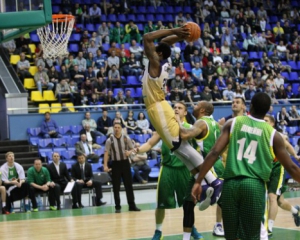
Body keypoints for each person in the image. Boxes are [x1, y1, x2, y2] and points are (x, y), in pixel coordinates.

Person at [191, 92, 300, 240]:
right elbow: (292, 168)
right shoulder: (273, 135)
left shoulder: (233, 123)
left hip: (231, 185)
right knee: (251, 236)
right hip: (254, 186)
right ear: (268, 109)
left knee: (231, 236)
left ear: (251, 106)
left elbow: (214, 152)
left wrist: (198, 181)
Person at [142, 27, 221, 195]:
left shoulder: (156, 64)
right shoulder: (162, 61)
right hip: (158, 106)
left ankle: (214, 182)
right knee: (177, 148)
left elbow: (147, 37)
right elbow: (164, 43)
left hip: (158, 107)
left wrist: (175, 29)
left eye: (154, 51)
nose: (150, 52)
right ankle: (206, 185)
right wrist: (179, 36)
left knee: (180, 145)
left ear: (160, 55)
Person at [130, 102, 204, 240]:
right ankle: (158, 231)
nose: (176, 109)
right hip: (168, 169)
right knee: (161, 204)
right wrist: (138, 149)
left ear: (185, 112)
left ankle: (191, 227)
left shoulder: (190, 129)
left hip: (185, 170)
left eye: (179, 108)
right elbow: (150, 143)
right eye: (174, 107)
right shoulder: (164, 128)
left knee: (188, 204)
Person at [263, 114, 300, 238]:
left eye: (266, 121)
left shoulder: (276, 135)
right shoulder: (259, 134)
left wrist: (295, 156)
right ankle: (296, 211)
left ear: (272, 123)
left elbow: (288, 146)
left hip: (277, 168)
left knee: (272, 197)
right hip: (265, 169)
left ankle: (269, 228)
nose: (263, 122)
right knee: (280, 201)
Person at [103, 122, 140, 213]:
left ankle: (132, 205)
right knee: (116, 186)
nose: (116, 129)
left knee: (129, 185)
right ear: (113, 128)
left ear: (121, 128)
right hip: (115, 164)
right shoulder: (109, 140)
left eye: (118, 127)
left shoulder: (126, 138)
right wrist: (105, 165)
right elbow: (106, 152)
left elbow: (133, 148)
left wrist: (129, 152)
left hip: (125, 163)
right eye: (115, 127)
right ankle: (117, 207)